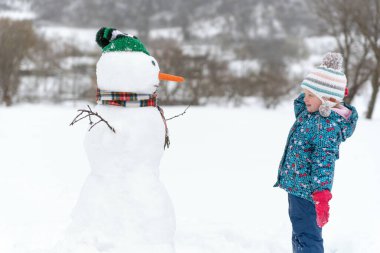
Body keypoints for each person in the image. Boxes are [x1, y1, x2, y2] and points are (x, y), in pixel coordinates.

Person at [273, 52, 358, 253]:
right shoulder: (312, 115)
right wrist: (326, 76)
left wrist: (321, 196)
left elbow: (324, 163)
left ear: (327, 100)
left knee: (307, 236)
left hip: (308, 192)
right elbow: (299, 104)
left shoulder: (325, 127)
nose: (305, 98)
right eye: (306, 93)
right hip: (297, 186)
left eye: (310, 95)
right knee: (300, 233)